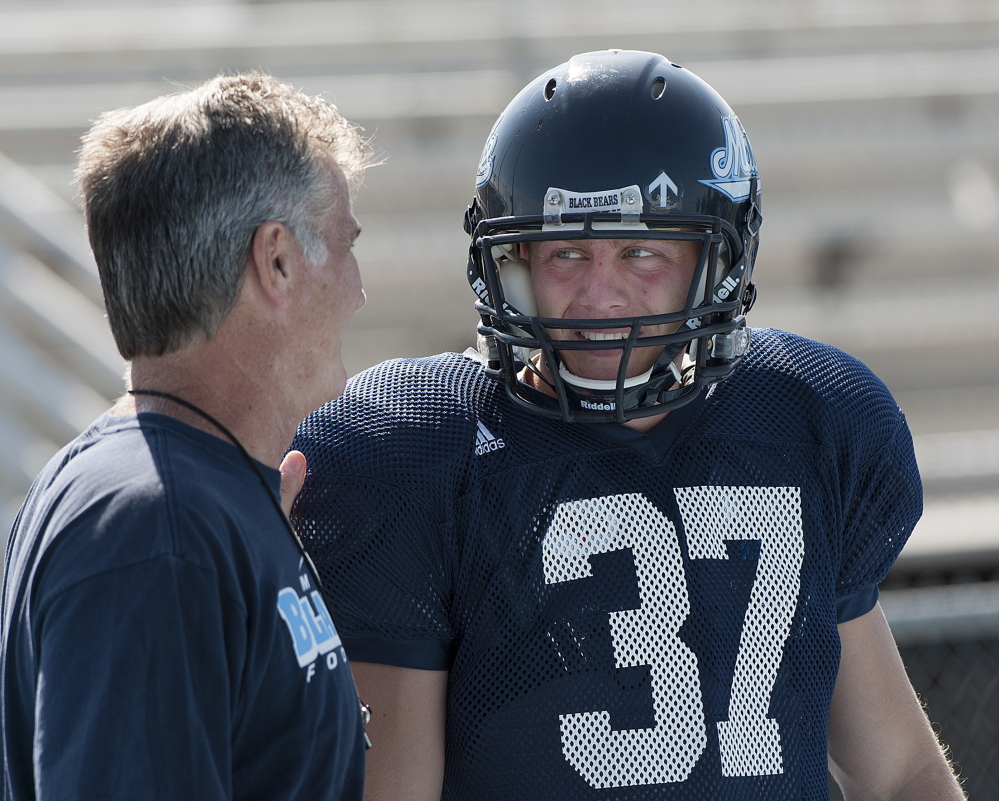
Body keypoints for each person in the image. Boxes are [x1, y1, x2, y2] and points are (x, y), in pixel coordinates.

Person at [289, 50, 965, 800]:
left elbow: (902, 770)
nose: (598, 293)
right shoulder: (421, 448)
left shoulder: (803, 418)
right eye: (565, 252)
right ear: (507, 262)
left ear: (720, 260)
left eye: (640, 251)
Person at [1, 73, 373, 800]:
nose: (360, 288)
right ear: (277, 261)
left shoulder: (188, 499)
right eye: (344, 243)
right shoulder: (153, 526)